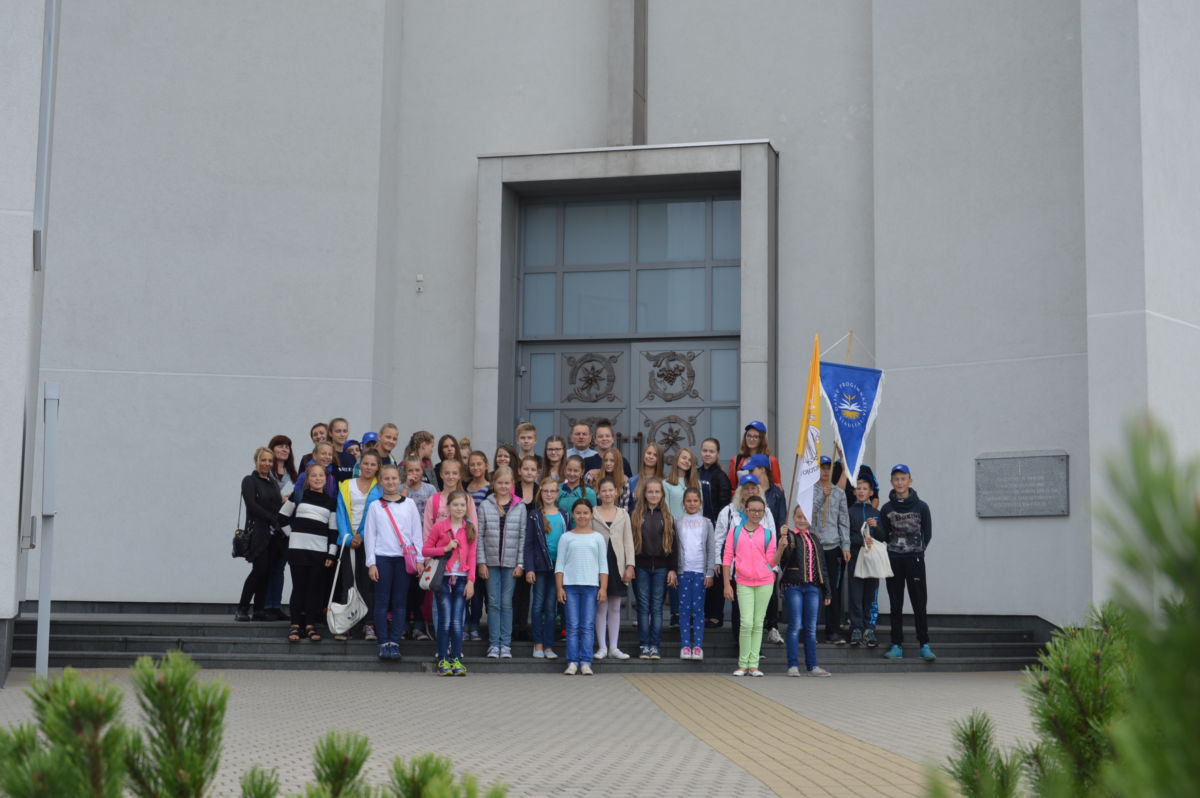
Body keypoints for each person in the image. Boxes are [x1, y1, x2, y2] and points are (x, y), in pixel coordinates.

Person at [364, 463, 423, 661]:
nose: (390, 482)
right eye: (386, 478)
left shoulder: (409, 504)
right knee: (381, 602)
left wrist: (420, 559)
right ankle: (383, 642)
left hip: (403, 560)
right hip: (382, 558)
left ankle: (395, 642)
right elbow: (370, 536)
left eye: (394, 478)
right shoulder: (375, 506)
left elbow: (416, 534)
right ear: (380, 482)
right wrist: (371, 563)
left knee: (400, 602)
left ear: (400, 480)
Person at [877, 464, 935, 661]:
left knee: (919, 602)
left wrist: (917, 550)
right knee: (896, 604)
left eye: (903, 479)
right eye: (896, 479)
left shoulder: (922, 507)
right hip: (894, 560)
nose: (900, 482)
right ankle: (896, 645)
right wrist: (875, 528)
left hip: (915, 560)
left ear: (910, 481)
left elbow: (927, 533)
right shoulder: (886, 508)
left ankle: (924, 644)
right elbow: (883, 535)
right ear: (891, 482)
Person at [277, 463, 338, 642]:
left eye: (321, 475)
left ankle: (310, 625)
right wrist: (292, 536)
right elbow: (282, 517)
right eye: (314, 476)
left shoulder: (331, 502)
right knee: (299, 588)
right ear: (307, 479)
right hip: (298, 551)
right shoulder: (298, 495)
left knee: (314, 590)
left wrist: (331, 554)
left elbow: (333, 531)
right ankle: (295, 625)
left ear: (326, 479)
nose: (318, 478)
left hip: (319, 552)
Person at [423, 490, 478, 676]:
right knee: (445, 621)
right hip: (443, 579)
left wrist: (471, 581)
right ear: (448, 507)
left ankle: (456, 659)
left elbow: (472, 556)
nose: (459, 508)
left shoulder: (469, 528)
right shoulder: (440, 527)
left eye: (462, 505)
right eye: (455, 505)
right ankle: (442, 660)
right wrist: (445, 548)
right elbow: (425, 550)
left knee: (457, 622)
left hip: (461, 578)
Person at [722, 495, 776, 676]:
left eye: (760, 511)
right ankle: (742, 664)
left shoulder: (768, 534)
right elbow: (727, 558)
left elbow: (772, 561)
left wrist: (782, 547)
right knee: (746, 622)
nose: (756, 514)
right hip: (743, 581)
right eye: (753, 510)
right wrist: (726, 584)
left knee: (758, 623)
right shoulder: (735, 532)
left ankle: (753, 665)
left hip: (765, 582)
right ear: (746, 511)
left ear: (764, 513)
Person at [478, 466, 527, 659]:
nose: (503, 486)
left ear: (512, 484)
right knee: (493, 603)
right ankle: (493, 644)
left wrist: (520, 564)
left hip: (511, 564)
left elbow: (523, 536)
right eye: (500, 483)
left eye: (507, 483)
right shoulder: (485, 505)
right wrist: (481, 562)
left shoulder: (520, 506)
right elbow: (479, 536)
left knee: (506, 603)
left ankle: (505, 644)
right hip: (490, 563)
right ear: (493, 484)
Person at [555, 500, 608, 675]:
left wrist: (603, 588)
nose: (582, 516)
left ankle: (586, 662)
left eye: (585, 512)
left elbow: (603, 565)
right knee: (572, 625)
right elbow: (560, 564)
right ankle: (572, 661)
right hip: (570, 587)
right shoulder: (566, 537)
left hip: (591, 587)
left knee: (587, 625)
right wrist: (559, 588)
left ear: (591, 515)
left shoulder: (597, 537)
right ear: (573, 515)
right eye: (578, 513)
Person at [777, 507, 832, 677]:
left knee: (811, 628)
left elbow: (822, 566)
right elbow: (783, 561)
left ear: (810, 520)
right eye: (799, 517)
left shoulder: (815, 539)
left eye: (805, 517)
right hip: (793, 586)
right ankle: (792, 665)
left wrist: (827, 591)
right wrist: (783, 540)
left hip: (813, 588)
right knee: (795, 625)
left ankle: (812, 665)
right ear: (793, 518)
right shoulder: (789, 537)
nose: (802, 520)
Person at [334, 450, 382, 641]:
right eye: (366, 463)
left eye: (373, 464)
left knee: (368, 583)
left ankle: (369, 624)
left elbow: (375, 514)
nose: (368, 467)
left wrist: (362, 535)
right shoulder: (346, 485)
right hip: (348, 541)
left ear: (378, 467)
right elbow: (340, 513)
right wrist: (348, 538)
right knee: (348, 583)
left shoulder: (380, 488)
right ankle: (346, 624)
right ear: (359, 465)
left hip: (370, 542)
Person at [630, 477, 677, 659]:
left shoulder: (667, 517)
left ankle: (654, 645)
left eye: (657, 492)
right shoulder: (635, 515)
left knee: (656, 607)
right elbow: (629, 543)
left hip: (661, 568)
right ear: (644, 494)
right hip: (641, 567)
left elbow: (673, 545)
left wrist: (672, 569)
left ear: (662, 494)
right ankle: (644, 645)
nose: (654, 495)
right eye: (650, 491)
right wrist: (630, 565)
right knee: (643, 606)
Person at [236, 447, 283, 622]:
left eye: (270, 461)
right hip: (258, 532)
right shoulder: (249, 481)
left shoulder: (273, 483)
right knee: (259, 570)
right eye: (263, 460)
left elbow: (277, 505)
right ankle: (242, 608)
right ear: (256, 461)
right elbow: (252, 506)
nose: (267, 464)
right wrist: (272, 518)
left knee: (268, 571)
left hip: (273, 534)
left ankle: (259, 609)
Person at [591, 477, 635, 660]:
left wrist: (630, 565)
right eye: (604, 490)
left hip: (617, 565)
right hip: (599, 566)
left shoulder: (623, 514)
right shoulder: (593, 513)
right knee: (601, 607)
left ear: (616, 492)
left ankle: (614, 647)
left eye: (610, 490)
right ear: (598, 493)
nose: (607, 494)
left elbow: (628, 541)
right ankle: (602, 647)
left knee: (615, 607)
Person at [523, 478, 565, 659]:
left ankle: (548, 646)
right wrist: (529, 568)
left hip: (558, 567)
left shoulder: (564, 515)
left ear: (557, 493)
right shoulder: (534, 515)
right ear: (541, 493)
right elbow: (529, 544)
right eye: (545, 491)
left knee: (551, 606)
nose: (549, 494)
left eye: (552, 491)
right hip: (540, 567)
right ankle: (538, 644)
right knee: (538, 604)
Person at [746, 454, 786, 644]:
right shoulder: (752, 492)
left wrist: (779, 546)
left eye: (752, 469)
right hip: (751, 550)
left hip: (771, 550)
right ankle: (756, 627)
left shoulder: (777, 493)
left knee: (771, 589)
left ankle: (772, 627)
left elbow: (781, 520)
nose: (749, 473)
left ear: (762, 469)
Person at [811, 455, 850, 645]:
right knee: (812, 589)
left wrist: (846, 545)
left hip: (833, 546)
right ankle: (810, 631)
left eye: (828, 468)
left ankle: (833, 630)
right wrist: (822, 496)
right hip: (814, 546)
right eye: (822, 467)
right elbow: (806, 516)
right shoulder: (810, 490)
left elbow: (844, 521)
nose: (825, 471)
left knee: (833, 590)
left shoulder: (839, 493)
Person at [399, 456, 436, 640]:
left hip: (424, 543)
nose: (414, 474)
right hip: (405, 545)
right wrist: (406, 486)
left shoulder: (430, 489)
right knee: (405, 587)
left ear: (423, 472)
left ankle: (420, 625)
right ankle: (405, 624)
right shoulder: (401, 488)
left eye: (417, 470)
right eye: (410, 470)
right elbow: (398, 507)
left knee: (420, 587)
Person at [675, 488, 715, 660]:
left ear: (701, 503)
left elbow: (711, 548)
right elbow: (675, 548)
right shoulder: (678, 522)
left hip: (700, 572)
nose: (692, 504)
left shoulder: (707, 523)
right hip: (683, 571)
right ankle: (685, 646)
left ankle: (697, 646)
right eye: (688, 501)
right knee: (684, 609)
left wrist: (709, 572)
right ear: (683, 503)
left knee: (698, 610)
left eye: (695, 501)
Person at [698, 437, 732, 628]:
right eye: (705, 450)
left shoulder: (721, 477)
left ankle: (715, 614)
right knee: (701, 571)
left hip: (715, 531)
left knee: (715, 572)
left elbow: (724, 508)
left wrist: (718, 530)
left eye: (711, 451)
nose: (707, 454)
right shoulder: (695, 473)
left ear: (717, 454)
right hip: (696, 530)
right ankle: (702, 612)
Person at [264, 435, 297, 620]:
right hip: (267, 528)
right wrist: (279, 499)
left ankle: (275, 606)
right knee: (265, 568)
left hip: (284, 529)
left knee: (279, 568)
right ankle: (263, 606)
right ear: (272, 448)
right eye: (280, 446)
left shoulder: (293, 475)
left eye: (287, 447)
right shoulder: (265, 472)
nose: (284, 449)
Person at [847, 476, 882, 648]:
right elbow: (846, 535)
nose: (861, 491)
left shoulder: (876, 513)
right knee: (855, 595)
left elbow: (884, 536)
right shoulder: (849, 511)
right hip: (855, 558)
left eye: (865, 489)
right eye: (858, 488)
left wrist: (876, 527)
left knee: (871, 595)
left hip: (872, 561)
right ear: (854, 492)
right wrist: (860, 541)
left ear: (871, 492)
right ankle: (856, 628)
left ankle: (869, 629)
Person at [463, 450, 492, 640]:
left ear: (486, 465)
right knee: (468, 584)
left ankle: (476, 624)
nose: (475, 467)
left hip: (485, 541)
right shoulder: (465, 487)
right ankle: (467, 623)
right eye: (472, 464)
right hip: (465, 540)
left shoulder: (491, 488)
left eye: (479, 464)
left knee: (481, 587)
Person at [728, 421, 782, 487]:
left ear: (762, 439)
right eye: (748, 436)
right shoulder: (736, 460)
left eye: (756, 437)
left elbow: (778, 487)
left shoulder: (771, 461)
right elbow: (732, 488)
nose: (751, 439)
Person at [627, 442, 665, 512]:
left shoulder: (664, 483)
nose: (651, 457)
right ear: (644, 455)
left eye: (655, 455)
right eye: (649, 453)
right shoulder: (632, 481)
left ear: (659, 459)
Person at [557, 455, 596, 520]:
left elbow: (593, 518)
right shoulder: (557, 489)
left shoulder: (589, 492)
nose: (572, 474)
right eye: (569, 470)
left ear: (582, 472)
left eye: (576, 471)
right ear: (565, 470)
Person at [329, 417, 355, 482]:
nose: (342, 434)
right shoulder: (327, 455)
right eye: (338, 431)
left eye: (345, 431)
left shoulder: (351, 457)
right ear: (330, 433)